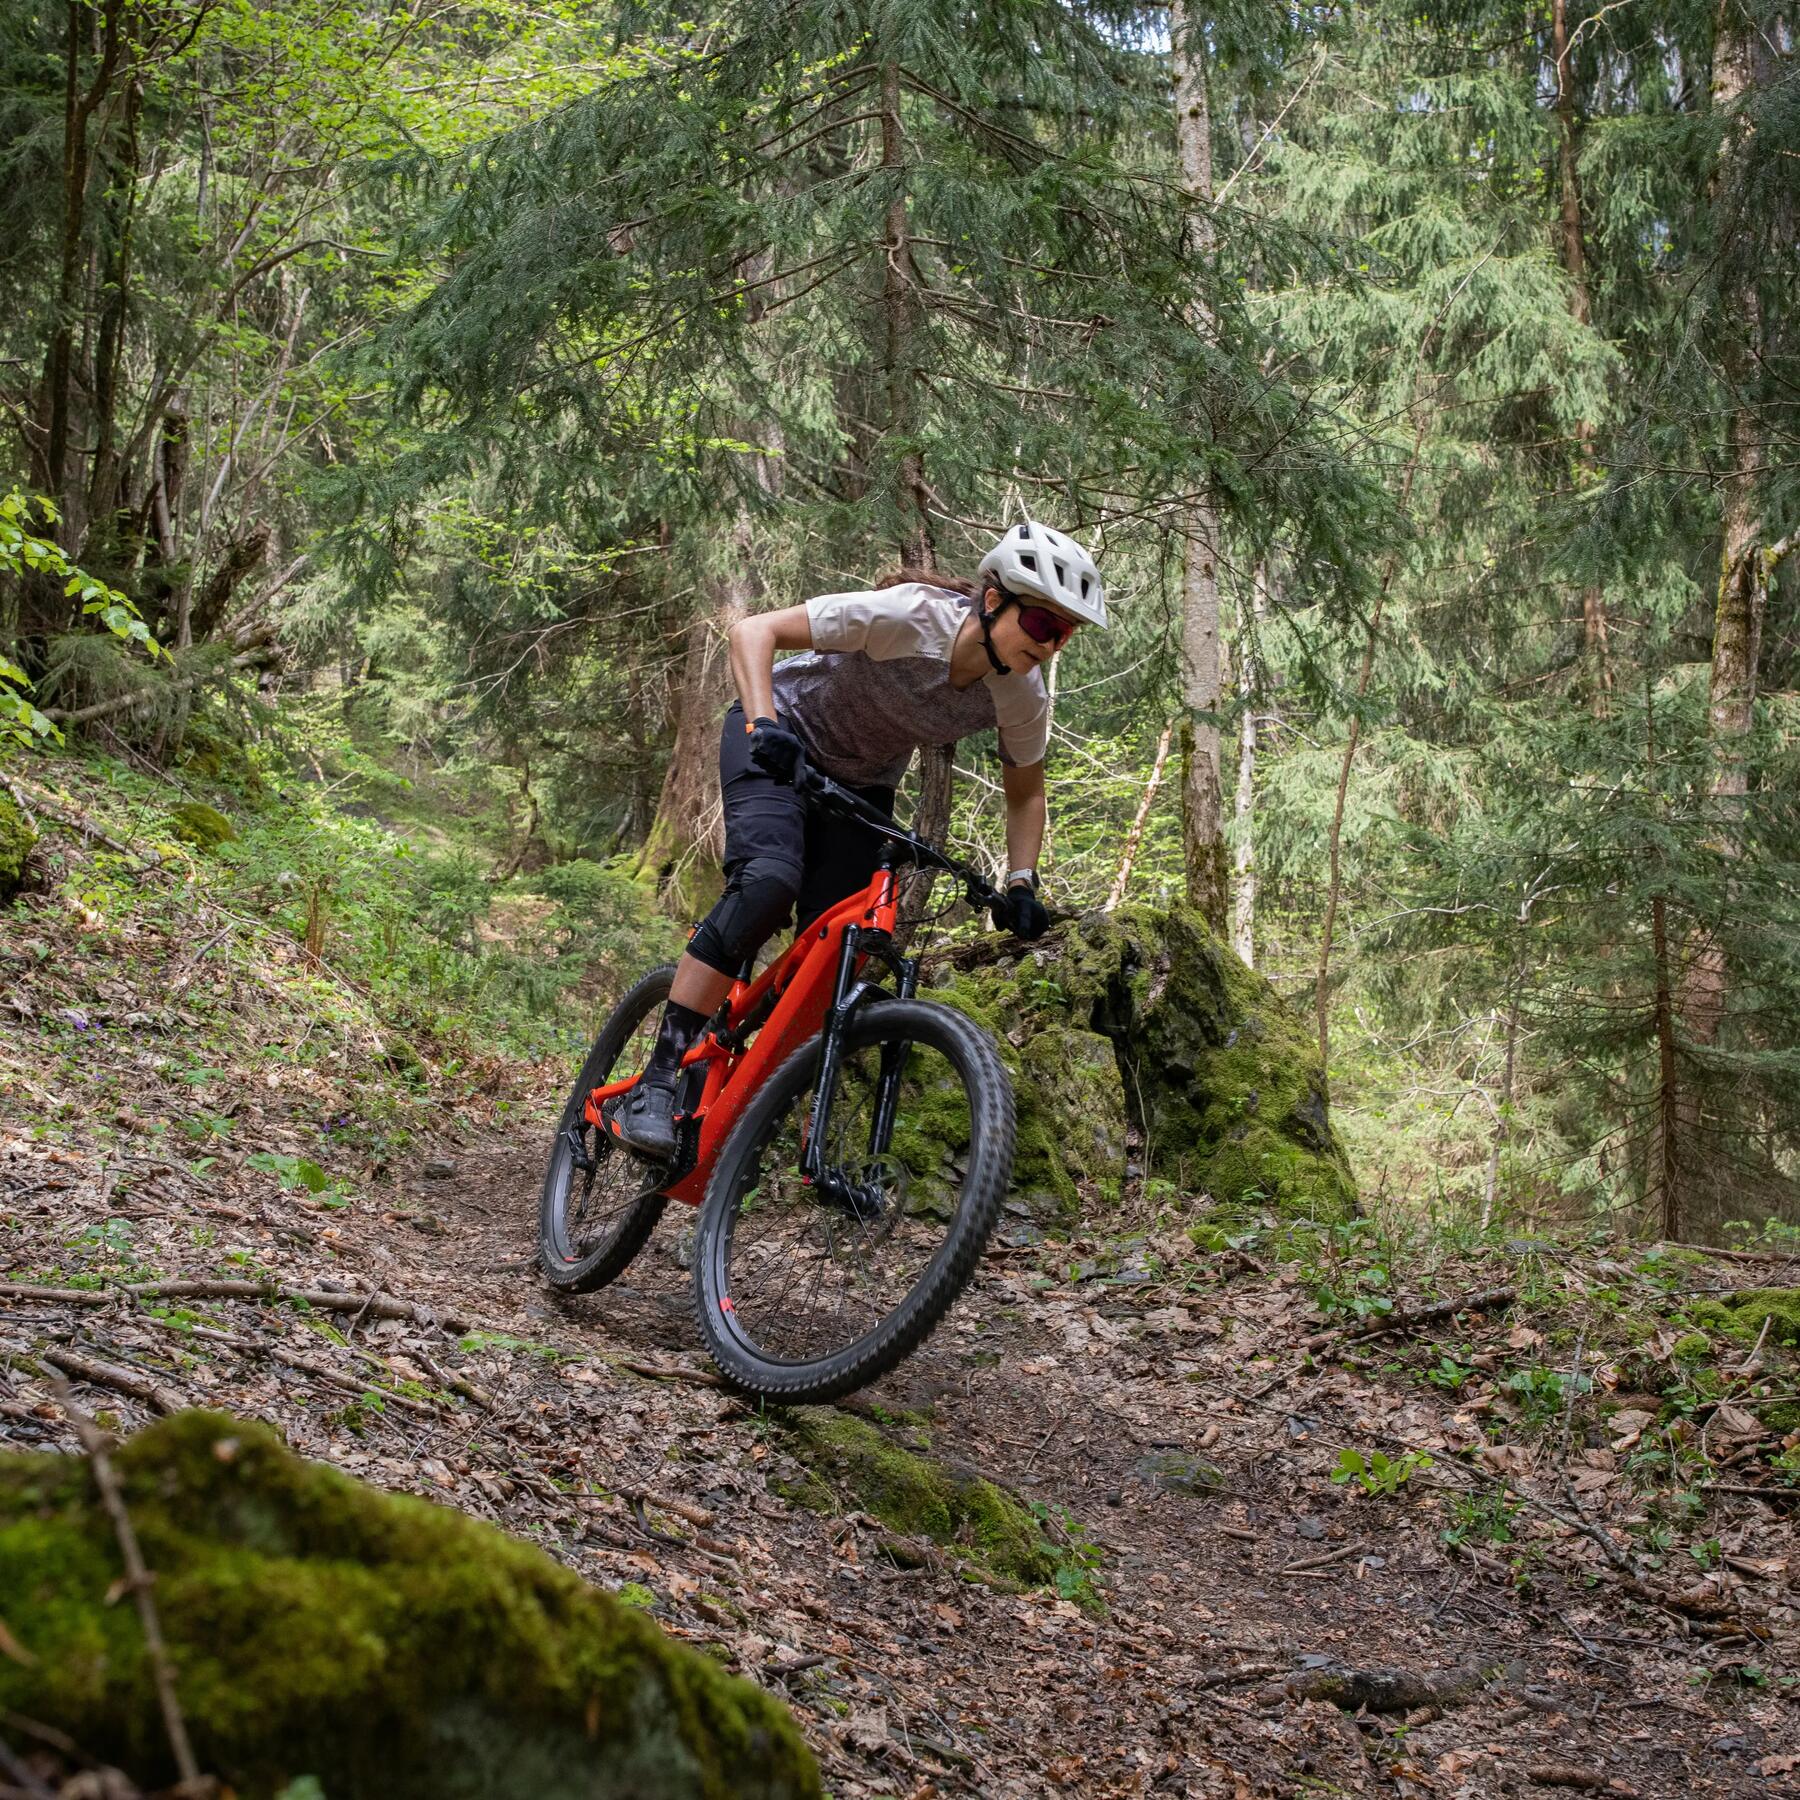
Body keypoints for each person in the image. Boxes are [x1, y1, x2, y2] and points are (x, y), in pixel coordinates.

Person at [607, 519, 1107, 1161]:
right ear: (992, 601)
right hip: (781, 734)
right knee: (768, 881)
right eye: (1042, 625)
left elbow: (1026, 792)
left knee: (841, 952)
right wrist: (764, 724)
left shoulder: (1019, 693)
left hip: (861, 784)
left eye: (1064, 634)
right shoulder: (910, 617)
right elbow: (752, 631)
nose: (1052, 644)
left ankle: (739, 1087)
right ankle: (657, 1082)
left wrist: (1020, 881)